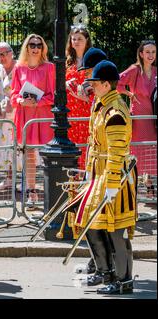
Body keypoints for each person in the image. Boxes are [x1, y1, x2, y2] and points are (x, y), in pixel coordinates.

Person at [72, 60, 137, 295]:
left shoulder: (115, 111)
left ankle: (124, 280)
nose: (92, 87)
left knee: (115, 230)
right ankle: (106, 272)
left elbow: (117, 152)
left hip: (114, 177)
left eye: (95, 83)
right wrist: (91, 171)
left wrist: (111, 185)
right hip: (100, 174)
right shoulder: (103, 105)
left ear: (107, 85)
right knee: (91, 222)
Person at [10, 34, 55, 210]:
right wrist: (21, 101)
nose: (35, 47)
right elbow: (13, 94)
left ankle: (50, 193)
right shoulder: (19, 68)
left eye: (38, 44)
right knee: (28, 154)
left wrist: (38, 102)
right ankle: (31, 192)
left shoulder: (49, 68)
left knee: (47, 155)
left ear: (43, 48)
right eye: (32, 44)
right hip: (25, 116)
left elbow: (53, 95)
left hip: (43, 116)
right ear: (26, 48)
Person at [117, 40, 157, 198]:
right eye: (147, 52)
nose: (151, 55)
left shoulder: (156, 71)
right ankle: (134, 187)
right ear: (141, 53)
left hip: (153, 117)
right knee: (138, 150)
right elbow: (117, 82)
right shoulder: (134, 70)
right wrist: (128, 93)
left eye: (153, 52)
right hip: (139, 118)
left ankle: (149, 185)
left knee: (152, 151)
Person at [65, 25, 93, 170]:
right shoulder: (67, 62)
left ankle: (87, 183)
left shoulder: (94, 61)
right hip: (71, 111)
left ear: (87, 41)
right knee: (72, 147)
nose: (76, 42)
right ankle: (72, 186)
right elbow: (57, 86)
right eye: (73, 39)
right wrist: (65, 83)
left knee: (87, 146)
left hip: (87, 109)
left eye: (80, 39)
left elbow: (101, 85)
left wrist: (88, 95)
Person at [0, 42, 17, 190]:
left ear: (11, 52)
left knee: (19, 147)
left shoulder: (20, 67)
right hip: (1, 115)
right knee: (4, 146)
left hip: (17, 113)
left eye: (5, 53)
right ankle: (8, 179)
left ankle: (24, 180)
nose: (3, 56)